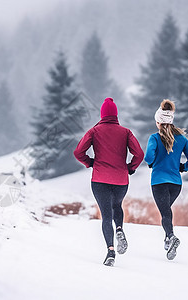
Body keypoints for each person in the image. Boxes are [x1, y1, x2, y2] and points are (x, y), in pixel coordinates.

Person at [74, 97, 144, 266]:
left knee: (106, 215)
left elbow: (78, 152)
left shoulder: (94, 131)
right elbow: (139, 154)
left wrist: (90, 162)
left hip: (99, 179)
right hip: (121, 180)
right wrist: (131, 168)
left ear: (102, 114)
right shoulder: (126, 132)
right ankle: (119, 228)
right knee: (117, 206)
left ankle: (110, 251)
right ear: (116, 114)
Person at [144, 99, 188, 260]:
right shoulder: (182, 139)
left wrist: (153, 163)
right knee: (166, 212)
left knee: (165, 213)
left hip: (159, 182)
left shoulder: (154, 137)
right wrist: (182, 168)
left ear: (158, 121)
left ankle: (171, 237)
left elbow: (148, 157)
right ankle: (167, 239)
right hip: (176, 183)